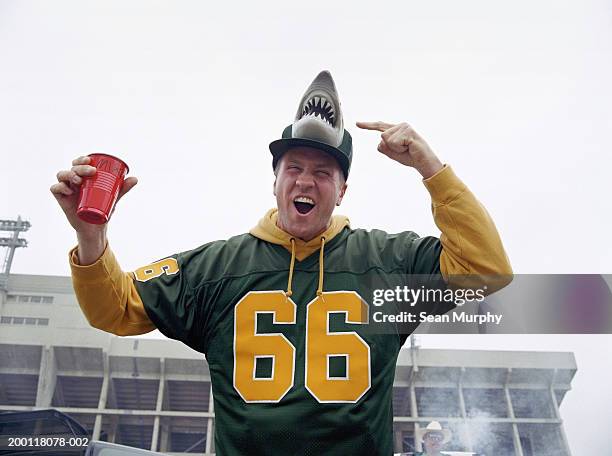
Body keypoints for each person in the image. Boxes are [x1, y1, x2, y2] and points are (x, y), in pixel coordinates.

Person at [50, 71, 512, 455]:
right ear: (275, 181)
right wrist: (91, 236)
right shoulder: (218, 267)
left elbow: (487, 271)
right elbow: (115, 309)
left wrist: (431, 168)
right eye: (294, 168)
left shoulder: (387, 261)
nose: (305, 181)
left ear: (342, 190)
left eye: (323, 173)